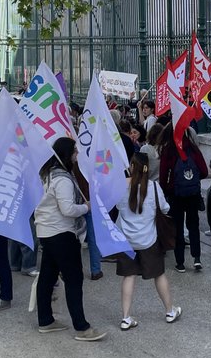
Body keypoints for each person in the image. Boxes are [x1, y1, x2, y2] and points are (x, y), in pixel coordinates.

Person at [34, 136, 105, 341]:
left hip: (48, 231)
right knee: (74, 279)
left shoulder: (50, 173)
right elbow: (68, 209)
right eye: (74, 151)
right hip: (61, 233)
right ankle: (82, 327)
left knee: (47, 276)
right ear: (67, 154)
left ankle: (45, 320)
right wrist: (87, 207)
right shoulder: (63, 179)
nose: (77, 154)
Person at [114, 151, 181, 331]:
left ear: (131, 166)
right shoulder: (153, 187)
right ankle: (169, 311)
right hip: (148, 240)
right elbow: (165, 208)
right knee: (159, 274)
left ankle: (126, 317)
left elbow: (117, 207)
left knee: (129, 276)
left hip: (126, 241)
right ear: (147, 168)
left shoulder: (120, 186)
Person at [158, 127, 208, 273]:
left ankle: (180, 262)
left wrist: (168, 188)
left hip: (175, 194)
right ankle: (197, 258)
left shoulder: (168, 150)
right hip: (192, 193)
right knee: (193, 225)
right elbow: (204, 171)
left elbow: (162, 176)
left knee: (177, 228)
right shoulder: (192, 148)